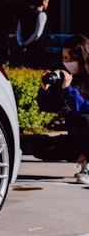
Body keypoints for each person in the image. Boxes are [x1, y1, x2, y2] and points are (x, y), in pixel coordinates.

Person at [35, 34, 89, 184]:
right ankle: (83, 156)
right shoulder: (65, 78)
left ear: (82, 57)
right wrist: (45, 89)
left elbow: (83, 108)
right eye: (64, 58)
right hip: (76, 138)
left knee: (85, 119)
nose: (67, 63)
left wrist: (68, 89)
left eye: (70, 58)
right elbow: (48, 107)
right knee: (40, 147)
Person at [15, 0, 50, 65]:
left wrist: (21, 44)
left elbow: (19, 32)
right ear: (43, 2)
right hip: (37, 49)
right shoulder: (42, 15)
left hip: (25, 50)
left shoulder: (24, 14)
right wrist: (26, 44)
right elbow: (37, 34)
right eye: (47, 2)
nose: (47, 4)